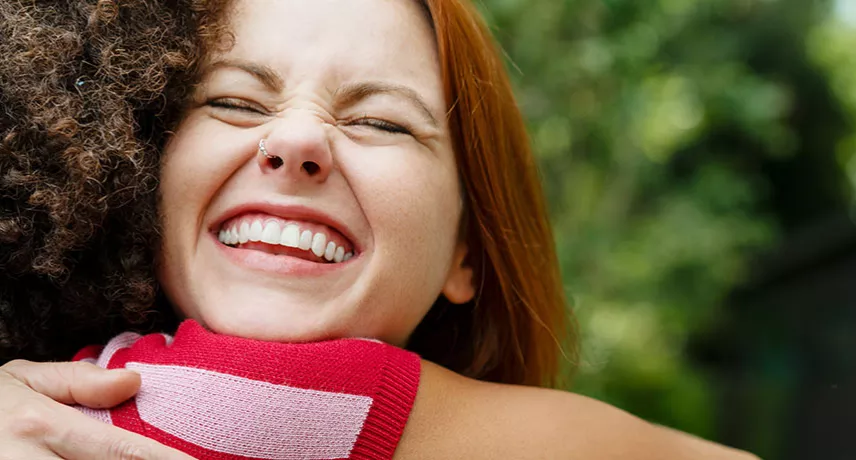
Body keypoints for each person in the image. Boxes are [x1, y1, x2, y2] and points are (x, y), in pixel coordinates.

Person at [0, 0, 759, 458]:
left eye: (380, 121)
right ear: (136, 170)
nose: (296, 142)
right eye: (233, 102)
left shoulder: (261, 407)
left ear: (470, 253)